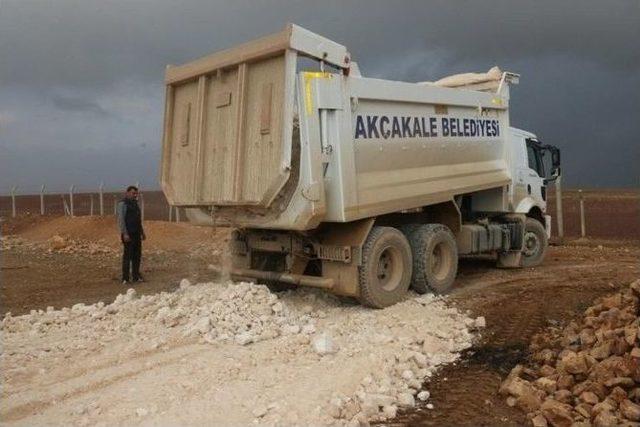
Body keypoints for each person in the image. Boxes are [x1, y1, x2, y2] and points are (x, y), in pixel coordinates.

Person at [116, 185, 146, 284]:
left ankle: (136, 276)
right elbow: (121, 220)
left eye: (136, 193)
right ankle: (125, 278)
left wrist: (142, 232)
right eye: (133, 193)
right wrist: (125, 233)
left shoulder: (135, 204)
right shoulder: (123, 204)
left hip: (136, 233)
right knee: (127, 256)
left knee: (137, 256)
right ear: (127, 193)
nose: (135, 195)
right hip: (128, 234)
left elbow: (138, 220)